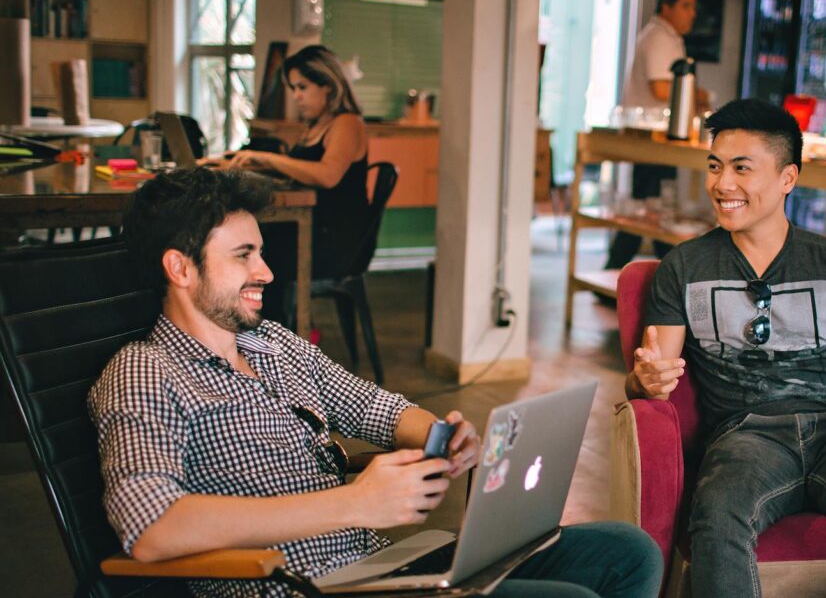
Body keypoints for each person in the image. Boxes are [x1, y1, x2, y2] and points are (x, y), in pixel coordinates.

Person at [90, 167, 663, 598]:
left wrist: (439, 434)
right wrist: (353, 503)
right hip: (301, 586)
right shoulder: (145, 371)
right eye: (244, 256)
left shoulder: (273, 344)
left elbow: (375, 408)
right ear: (180, 268)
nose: (265, 271)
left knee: (627, 553)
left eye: (260, 253)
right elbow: (153, 529)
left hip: (377, 569)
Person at [626, 99, 826, 598]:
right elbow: (652, 371)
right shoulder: (684, 266)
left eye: (741, 168)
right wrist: (643, 381)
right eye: (715, 166)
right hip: (745, 435)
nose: (721, 184)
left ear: (787, 179)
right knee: (717, 515)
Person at [201, 45, 371, 322]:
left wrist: (266, 158)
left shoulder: (347, 124)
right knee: (243, 246)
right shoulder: (316, 126)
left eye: (302, 87)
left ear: (327, 85)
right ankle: (248, 330)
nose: (296, 96)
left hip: (335, 242)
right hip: (313, 228)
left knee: (252, 255)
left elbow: (327, 175)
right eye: (294, 88)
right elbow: (300, 172)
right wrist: (247, 164)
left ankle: (267, 336)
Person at [605, 0, 706, 271]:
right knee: (651, 213)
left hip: (659, 139)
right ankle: (622, 277)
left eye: (693, 8)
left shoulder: (668, 37)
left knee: (654, 211)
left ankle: (655, 276)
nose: (692, 14)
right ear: (667, 6)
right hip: (653, 139)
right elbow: (662, 89)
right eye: (686, 6)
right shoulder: (659, 37)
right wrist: (699, 94)